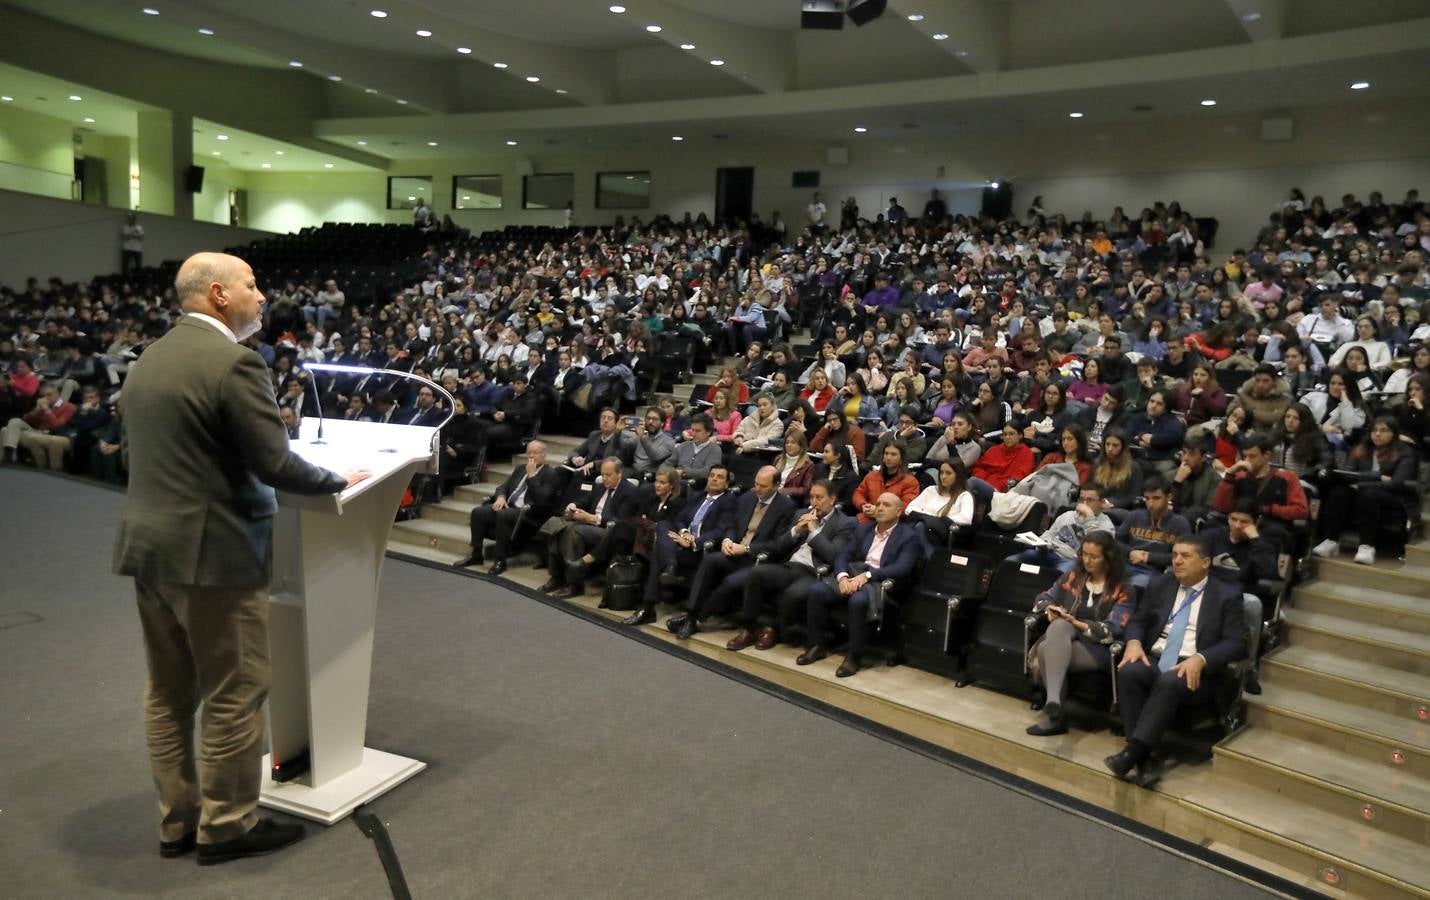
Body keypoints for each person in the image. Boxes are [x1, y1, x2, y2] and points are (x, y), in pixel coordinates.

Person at [113, 251, 369, 864]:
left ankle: (177, 821)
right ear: (220, 295)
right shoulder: (234, 362)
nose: (262, 296)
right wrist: (337, 478)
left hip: (150, 547)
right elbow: (275, 462)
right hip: (215, 555)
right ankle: (227, 826)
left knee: (168, 692)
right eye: (252, 286)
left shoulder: (149, 359)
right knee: (235, 687)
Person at [1106, 536, 1247, 785]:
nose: (1177, 561)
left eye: (1185, 556)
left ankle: (1133, 752)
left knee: (1171, 680)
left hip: (1195, 669)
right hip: (1156, 657)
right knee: (1129, 671)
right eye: (1174, 555)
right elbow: (1139, 620)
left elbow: (1236, 642)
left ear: (1205, 562)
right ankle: (1141, 754)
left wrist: (1201, 658)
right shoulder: (1161, 584)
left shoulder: (1227, 595)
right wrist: (1134, 642)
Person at [665, 466, 798, 639]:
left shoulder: (786, 507)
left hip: (757, 560)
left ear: (777, 485)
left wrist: (747, 549)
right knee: (709, 561)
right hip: (734, 551)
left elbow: (778, 544)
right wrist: (728, 539)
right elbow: (731, 525)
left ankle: (695, 619)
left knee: (730, 582)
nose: (757, 488)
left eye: (763, 486)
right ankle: (691, 614)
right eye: (756, 483)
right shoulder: (747, 497)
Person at [800, 493, 923, 678]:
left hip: (881, 584)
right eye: (878, 504)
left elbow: (902, 568)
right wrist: (842, 577)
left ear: (899, 511)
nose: (880, 508)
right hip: (852, 576)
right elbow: (843, 556)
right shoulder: (864, 529)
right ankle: (817, 644)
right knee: (817, 590)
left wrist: (868, 575)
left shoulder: (909, 536)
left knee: (858, 600)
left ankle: (854, 655)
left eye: (886, 505)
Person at [1026, 532, 1137, 736]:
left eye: (1094, 556)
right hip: (1066, 639)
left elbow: (1112, 630)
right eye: (1084, 554)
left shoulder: (1124, 589)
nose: (1087, 560)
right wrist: (1049, 608)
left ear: (1108, 558)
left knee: (1045, 649)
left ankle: (1054, 713)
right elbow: (1043, 597)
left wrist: (1077, 623)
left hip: (1101, 649)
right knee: (1058, 626)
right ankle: (1054, 703)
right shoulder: (1074, 576)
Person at [727, 480, 854, 651]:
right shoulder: (800, 513)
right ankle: (748, 629)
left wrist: (813, 531)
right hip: (790, 566)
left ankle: (773, 630)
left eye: (819, 498)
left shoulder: (845, 523)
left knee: (792, 594)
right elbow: (779, 546)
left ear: (832, 500)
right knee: (756, 574)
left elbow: (833, 555)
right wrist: (797, 530)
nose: (813, 502)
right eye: (811, 497)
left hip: (814, 573)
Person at [625, 466, 737, 624]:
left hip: (698, 550)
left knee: (658, 550)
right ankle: (670, 565)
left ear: (726, 483)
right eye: (712, 475)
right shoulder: (699, 496)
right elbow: (679, 519)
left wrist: (693, 541)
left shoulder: (729, 500)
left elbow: (721, 529)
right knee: (663, 524)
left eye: (719, 477)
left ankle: (648, 607)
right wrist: (684, 533)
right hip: (680, 542)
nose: (714, 479)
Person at [1312, 417, 1419, 565]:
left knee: (1368, 494)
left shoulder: (1405, 452)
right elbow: (1348, 474)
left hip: (1396, 497)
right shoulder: (1361, 448)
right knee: (1339, 491)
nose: (1377, 434)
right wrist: (1378, 477)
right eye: (1374, 430)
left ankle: (1367, 546)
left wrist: (1363, 483)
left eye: (1383, 430)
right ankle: (1331, 540)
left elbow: (1397, 483)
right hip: (1365, 492)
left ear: (1393, 433)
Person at [454, 441, 563, 574]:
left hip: (528, 513)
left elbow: (541, 498)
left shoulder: (551, 474)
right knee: (478, 512)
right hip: (508, 506)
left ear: (544, 455)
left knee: (503, 515)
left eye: (535, 453)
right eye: (529, 452)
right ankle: (476, 554)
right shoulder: (521, 468)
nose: (531, 456)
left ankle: (500, 560)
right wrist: (501, 497)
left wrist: (532, 476)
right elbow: (503, 487)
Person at [543, 458, 639, 597]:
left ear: (620, 473)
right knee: (558, 524)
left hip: (608, 531)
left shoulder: (629, 491)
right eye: (602, 474)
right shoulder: (600, 486)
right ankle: (557, 576)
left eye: (608, 475)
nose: (604, 478)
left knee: (573, 530)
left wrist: (592, 518)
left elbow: (621, 521)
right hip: (589, 524)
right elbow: (585, 501)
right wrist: (574, 505)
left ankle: (574, 584)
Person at [1212, 431, 1309, 554]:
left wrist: (1269, 509)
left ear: (1266, 455)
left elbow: (1301, 510)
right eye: (1244, 456)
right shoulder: (1238, 476)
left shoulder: (1287, 477)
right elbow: (1220, 506)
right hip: (1239, 523)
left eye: (1252, 456)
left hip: (1270, 526)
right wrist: (1230, 474)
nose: (1246, 461)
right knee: (1212, 527)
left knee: (1274, 536)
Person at [1116, 476, 1191, 586]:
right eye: (1147, 498)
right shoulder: (1135, 515)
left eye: (1156, 498)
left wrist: (1148, 557)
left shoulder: (1180, 523)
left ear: (1169, 497)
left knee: (1134, 586)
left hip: (1151, 572)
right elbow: (1115, 542)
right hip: (1124, 565)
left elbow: (1182, 556)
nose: (1150, 503)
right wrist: (1131, 552)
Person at [904, 459, 975, 544]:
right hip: (922, 529)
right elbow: (909, 509)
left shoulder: (964, 496)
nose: (943, 477)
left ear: (958, 476)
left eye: (948, 473)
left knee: (921, 527)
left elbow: (965, 518)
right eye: (941, 472)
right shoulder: (931, 490)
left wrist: (932, 519)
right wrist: (930, 519)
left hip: (943, 535)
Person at [851, 441, 921, 522]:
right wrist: (863, 505)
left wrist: (878, 510)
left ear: (901, 458)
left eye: (893, 454)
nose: (888, 457)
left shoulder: (911, 482)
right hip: (866, 518)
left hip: (892, 524)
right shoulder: (872, 476)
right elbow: (858, 493)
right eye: (886, 453)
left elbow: (905, 507)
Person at [568, 408, 635, 477]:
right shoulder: (594, 435)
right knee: (560, 470)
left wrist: (594, 464)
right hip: (587, 469)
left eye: (610, 418)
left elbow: (615, 459)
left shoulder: (623, 439)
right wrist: (575, 458)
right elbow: (576, 451)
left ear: (616, 424)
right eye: (603, 417)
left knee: (578, 475)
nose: (605, 420)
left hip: (605, 472)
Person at [971, 423, 1035, 491]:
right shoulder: (994, 450)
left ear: (1020, 435)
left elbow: (1019, 477)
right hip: (983, 484)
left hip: (1007, 491)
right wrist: (985, 481)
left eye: (1011, 434)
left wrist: (997, 487)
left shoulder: (1026, 453)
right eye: (1005, 434)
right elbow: (978, 468)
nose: (1007, 437)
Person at [672, 414, 722, 482]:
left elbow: (708, 472)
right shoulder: (683, 446)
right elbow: (667, 464)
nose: (694, 434)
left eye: (698, 431)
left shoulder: (715, 450)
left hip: (697, 485)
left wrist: (684, 472)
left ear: (708, 432)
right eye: (692, 430)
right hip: (676, 481)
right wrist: (671, 472)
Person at [631, 406, 677, 477]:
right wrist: (617, 432)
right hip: (633, 471)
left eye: (655, 419)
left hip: (649, 476)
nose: (650, 422)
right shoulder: (642, 436)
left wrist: (642, 438)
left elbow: (655, 456)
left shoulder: (669, 441)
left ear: (662, 423)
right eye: (648, 418)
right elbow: (626, 445)